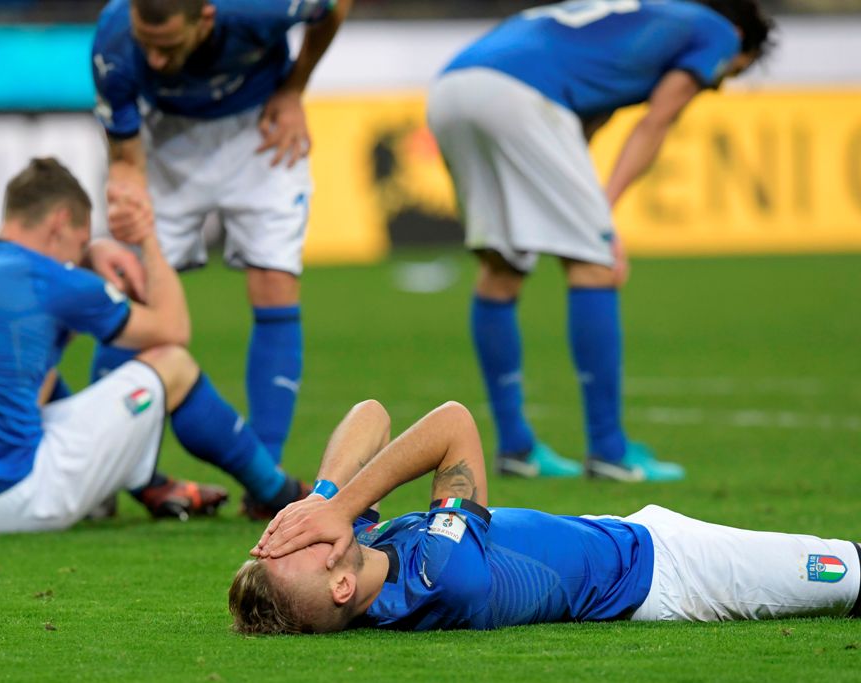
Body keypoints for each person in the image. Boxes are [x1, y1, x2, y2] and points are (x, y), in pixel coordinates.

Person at [425, 0, 774, 481]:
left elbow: (583, 124)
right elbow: (657, 121)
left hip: (451, 89)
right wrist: (602, 220)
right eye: (732, 73)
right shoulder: (718, 31)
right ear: (741, 39)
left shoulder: (639, 25)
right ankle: (610, 450)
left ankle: (516, 448)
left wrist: (587, 210)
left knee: (500, 267)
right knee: (597, 265)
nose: (717, 82)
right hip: (521, 97)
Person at [0, 158, 305, 533]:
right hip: (9, 500)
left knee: (27, 367)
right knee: (173, 365)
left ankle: (145, 485)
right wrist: (147, 241)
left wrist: (88, 254)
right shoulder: (46, 280)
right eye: (80, 240)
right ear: (59, 222)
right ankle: (276, 491)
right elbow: (173, 328)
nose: (79, 255)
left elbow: (27, 352)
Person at [231, 400, 861, 633]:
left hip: (622, 535)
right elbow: (453, 424)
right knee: (848, 573)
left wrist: (321, 496)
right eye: (295, 553)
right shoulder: (439, 576)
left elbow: (371, 413)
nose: (294, 537)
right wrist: (339, 506)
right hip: (669, 576)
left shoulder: (366, 555)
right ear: (340, 586)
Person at [89, 0, 351, 514]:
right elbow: (123, 154)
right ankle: (100, 476)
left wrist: (294, 89)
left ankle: (266, 482)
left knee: (275, 280)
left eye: (167, 46)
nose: (156, 60)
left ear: (205, 18)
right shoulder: (115, 41)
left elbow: (335, 6)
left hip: (262, 131)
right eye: (149, 46)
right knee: (135, 289)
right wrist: (125, 189)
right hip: (169, 138)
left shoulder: (260, 6)